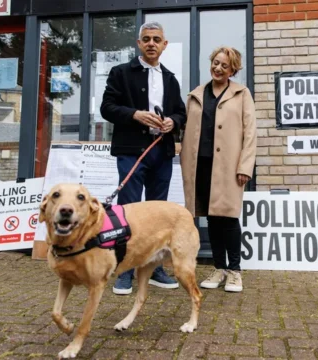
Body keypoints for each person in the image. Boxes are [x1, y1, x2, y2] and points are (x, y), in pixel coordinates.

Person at [100, 21, 186, 295]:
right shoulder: (120, 72)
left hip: (161, 152)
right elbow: (107, 107)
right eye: (146, 39)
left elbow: (181, 113)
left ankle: (156, 267)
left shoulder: (171, 78)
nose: (151, 43)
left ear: (164, 45)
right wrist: (135, 114)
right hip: (131, 150)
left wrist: (173, 121)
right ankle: (124, 269)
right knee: (128, 211)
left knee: (158, 212)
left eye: (156, 39)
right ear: (139, 43)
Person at [180, 46, 257, 293]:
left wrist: (245, 165)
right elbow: (184, 128)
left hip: (228, 166)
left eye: (224, 65)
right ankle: (219, 267)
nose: (218, 68)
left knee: (229, 217)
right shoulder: (196, 95)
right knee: (212, 217)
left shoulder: (241, 94)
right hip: (200, 164)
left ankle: (234, 271)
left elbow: (250, 133)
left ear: (233, 69)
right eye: (215, 62)